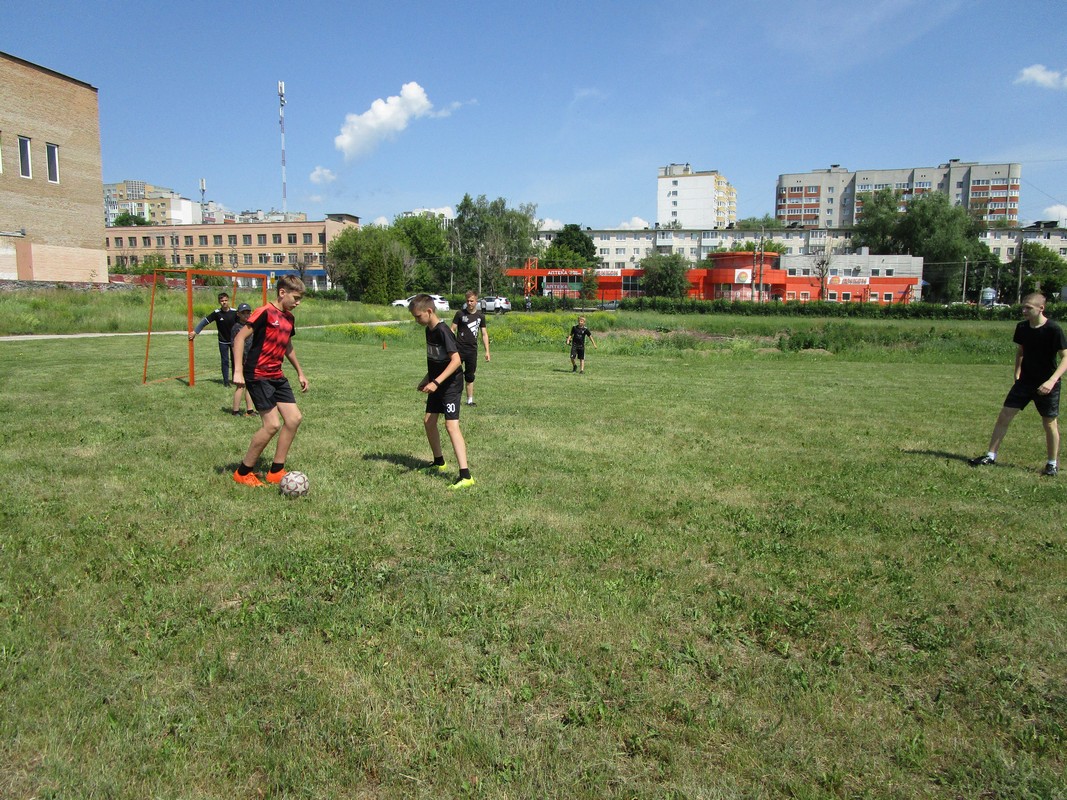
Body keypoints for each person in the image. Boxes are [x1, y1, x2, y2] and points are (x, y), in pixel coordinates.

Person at [969, 292, 1067, 477]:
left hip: (1047, 384)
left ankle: (1051, 464)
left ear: (1041, 308)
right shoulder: (1022, 328)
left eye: (1028, 308)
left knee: (1049, 423)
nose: (1024, 311)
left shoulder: (1053, 329)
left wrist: (1051, 381)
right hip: (1025, 382)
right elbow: (1021, 350)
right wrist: (1017, 371)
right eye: (1023, 307)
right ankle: (991, 455)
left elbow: (1065, 358)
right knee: (1004, 415)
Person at [231, 276, 309, 488]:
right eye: (296, 297)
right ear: (282, 292)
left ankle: (276, 471)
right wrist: (238, 371)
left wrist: (300, 372)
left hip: (276, 375)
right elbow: (239, 338)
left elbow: (288, 346)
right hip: (258, 374)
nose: (298, 302)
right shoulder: (264, 312)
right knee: (272, 424)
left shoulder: (289, 318)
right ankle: (243, 471)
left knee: (293, 419)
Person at [411, 293, 475, 490]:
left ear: (429, 311)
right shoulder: (429, 330)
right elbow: (436, 360)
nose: (416, 320)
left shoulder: (443, 331)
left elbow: (456, 360)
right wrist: (426, 379)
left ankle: (466, 476)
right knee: (429, 421)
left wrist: (436, 382)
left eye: (418, 316)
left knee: (451, 426)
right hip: (438, 382)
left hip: (451, 384)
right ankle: (439, 462)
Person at [450, 290, 491, 406]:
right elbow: (452, 329)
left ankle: (469, 401)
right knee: (453, 374)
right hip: (458, 349)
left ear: (476, 301)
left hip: (472, 351)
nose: (469, 303)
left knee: (470, 375)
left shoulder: (480, 316)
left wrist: (487, 351)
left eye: (472, 301)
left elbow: (484, 334)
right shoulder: (460, 314)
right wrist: (451, 345)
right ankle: (450, 398)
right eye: (467, 301)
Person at [189, 291, 238, 386]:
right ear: (219, 302)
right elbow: (204, 322)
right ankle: (226, 382)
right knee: (225, 361)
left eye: (226, 300)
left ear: (228, 301)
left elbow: (245, 321)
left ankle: (235, 379)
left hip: (234, 341)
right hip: (222, 341)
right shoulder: (217, 313)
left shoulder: (235, 312)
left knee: (235, 360)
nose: (224, 302)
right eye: (222, 301)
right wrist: (195, 332)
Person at [229, 303, 257, 417]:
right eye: (243, 313)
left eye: (248, 312)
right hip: (241, 360)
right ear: (238, 314)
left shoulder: (251, 326)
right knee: (241, 385)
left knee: (250, 385)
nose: (246, 315)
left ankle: (249, 410)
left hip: (251, 359)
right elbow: (234, 345)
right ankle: (235, 410)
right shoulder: (236, 328)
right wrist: (238, 363)